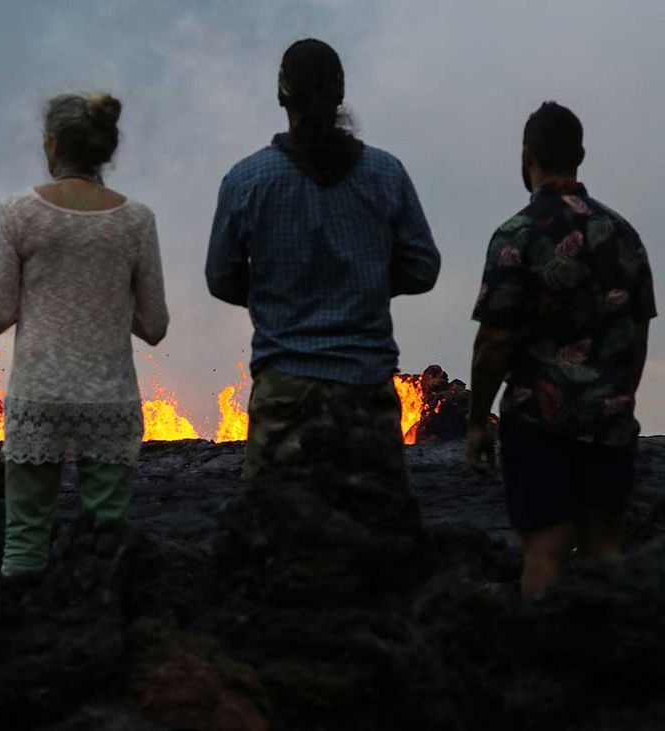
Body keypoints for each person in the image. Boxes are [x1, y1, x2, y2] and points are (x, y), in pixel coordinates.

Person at [205, 38, 440, 486]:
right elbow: (423, 268)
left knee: (279, 530)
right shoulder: (385, 174)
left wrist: (277, 294)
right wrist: (365, 282)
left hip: (285, 390)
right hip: (366, 387)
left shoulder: (247, 181)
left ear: (281, 95)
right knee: (376, 532)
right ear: (340, 93)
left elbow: (221, 278)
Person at [468, 101, 655, 601]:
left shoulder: (516, 237)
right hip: (609, 419)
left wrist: (476, 418)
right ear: (581, 155)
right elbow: (639, 332)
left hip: (538, 422)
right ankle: (618, 659)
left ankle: (546, 664)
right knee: (605, 545)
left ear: (527, 156)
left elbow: (495, 342)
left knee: (544, 551)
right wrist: (617, 396)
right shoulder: (623, 237)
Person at [0, 92, 169, 579]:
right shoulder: (136, 222)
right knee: (106, 542)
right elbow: (154, 326)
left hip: (38, 396)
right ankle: (100, 637)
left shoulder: (18, 214)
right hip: (108, 400)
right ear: (104, 149)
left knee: (24, 541)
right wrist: (104, 297)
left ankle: (21, 638)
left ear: (52, 146)